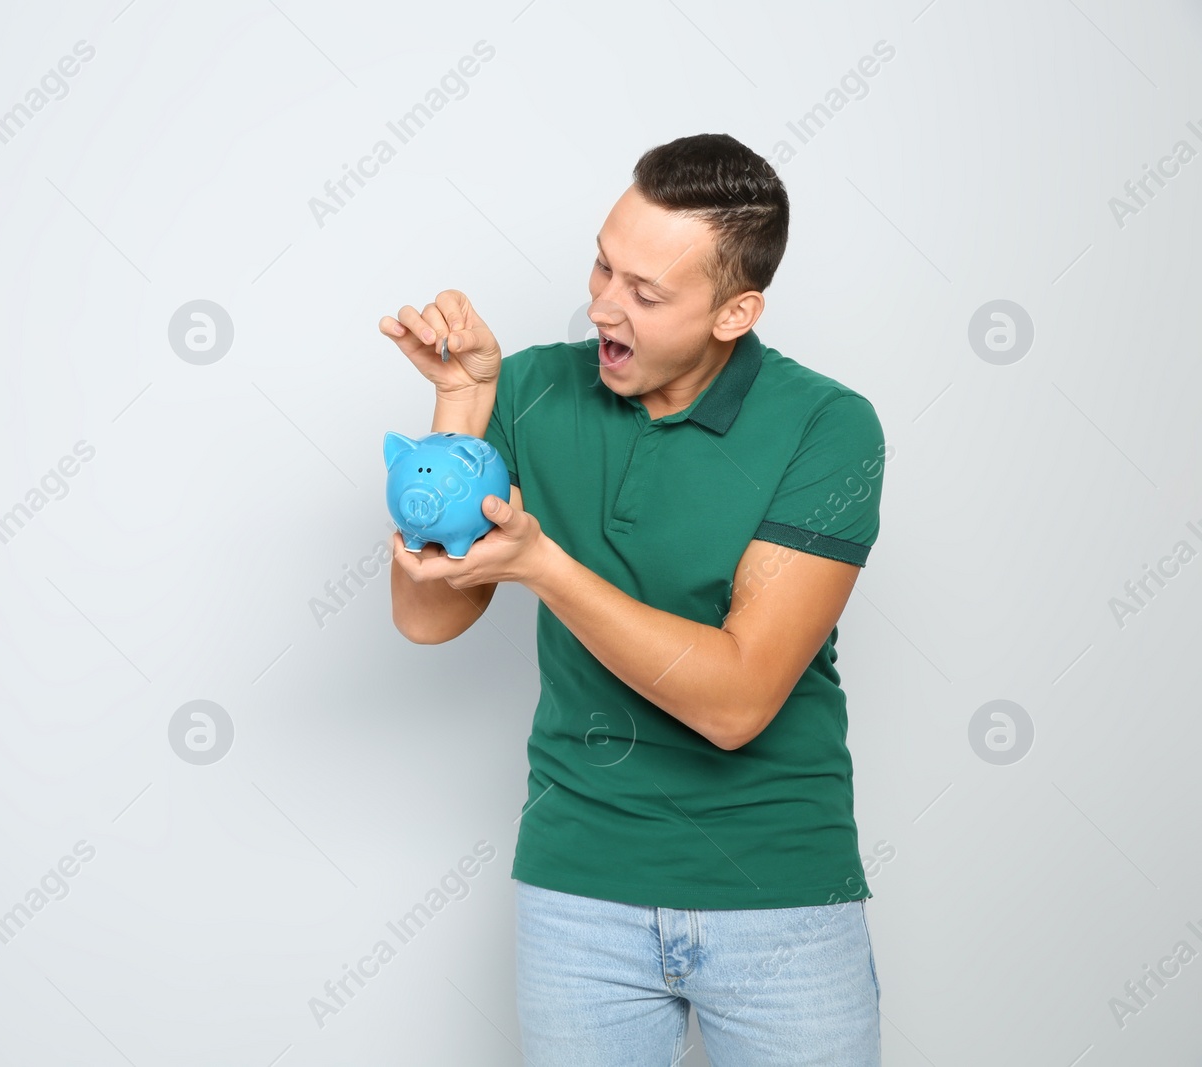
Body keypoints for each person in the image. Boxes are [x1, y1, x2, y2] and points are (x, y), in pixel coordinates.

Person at [379, 132, 888, 1066]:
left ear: (736, 312)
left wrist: (547, 568)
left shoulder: (826, 425)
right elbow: (426, 619)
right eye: (603, 265)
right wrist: (460, 404)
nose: (601, 305)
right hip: (579, 887)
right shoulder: (529, 388)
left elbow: (737, 703)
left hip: (779, 895)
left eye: (645, 293)